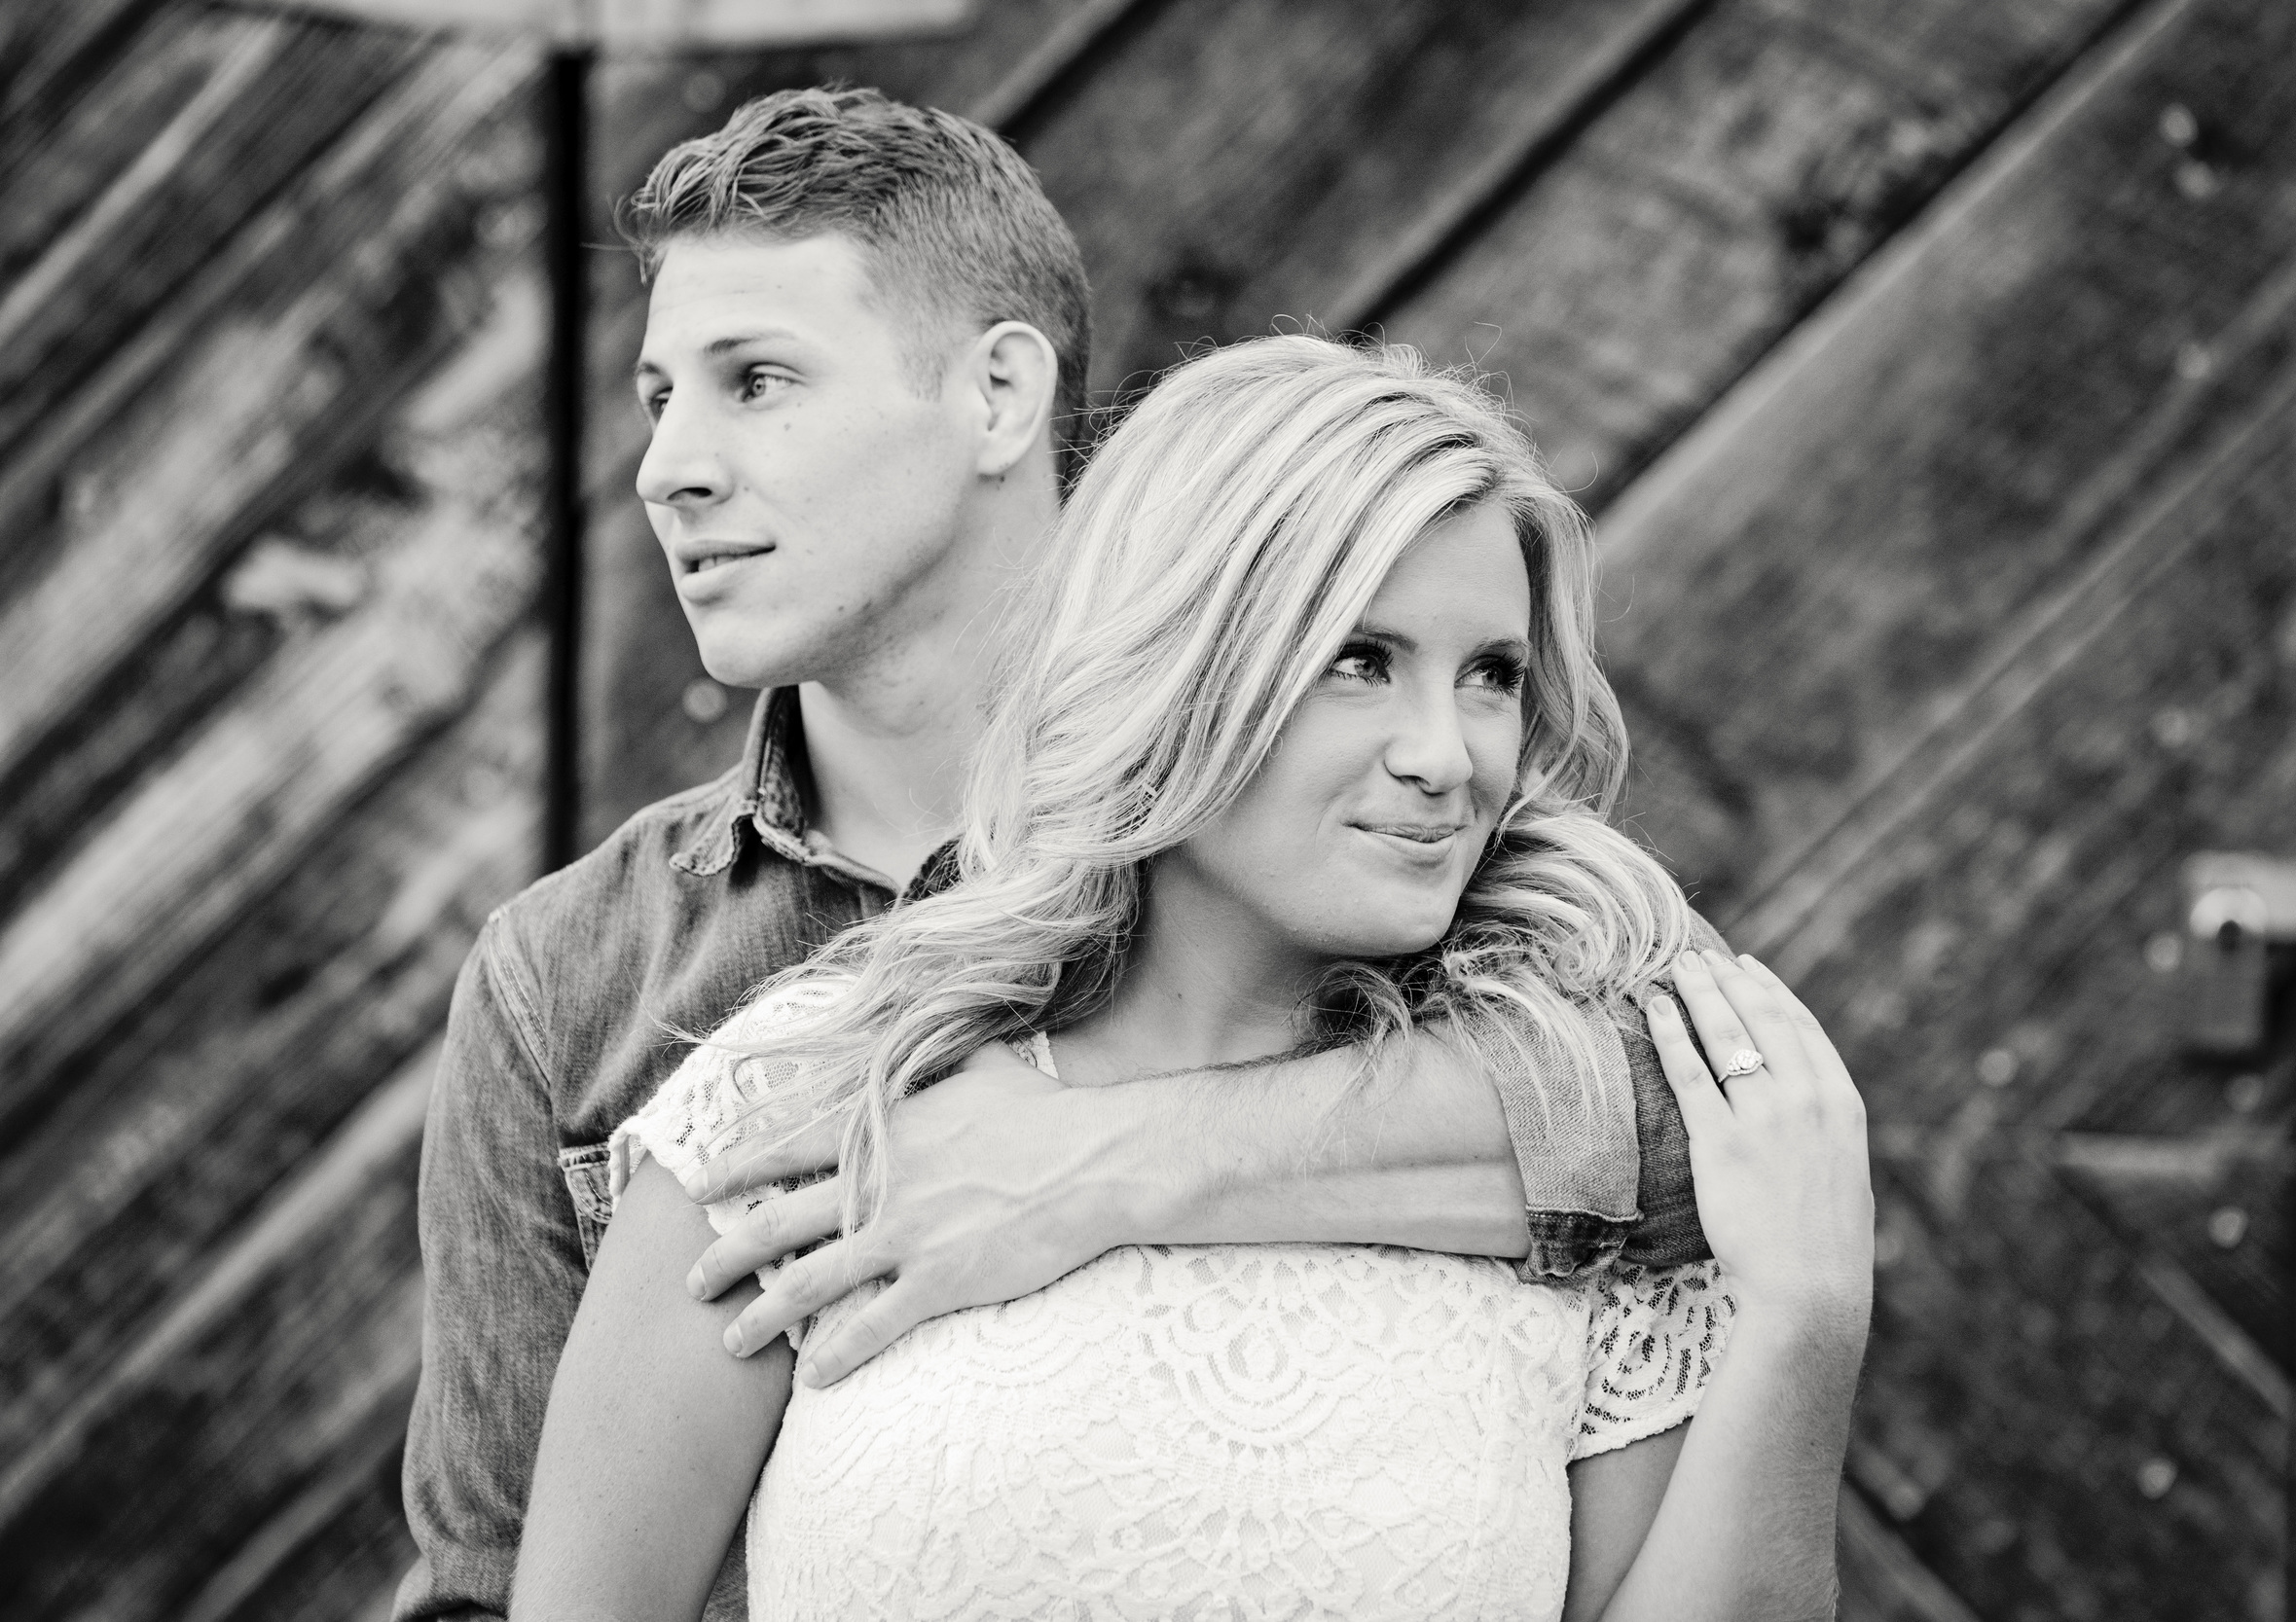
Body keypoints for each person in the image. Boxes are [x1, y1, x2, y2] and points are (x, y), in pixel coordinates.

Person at [396, 90, 1739, 1622]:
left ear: (998, 395)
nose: (667, 469)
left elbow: (1713, 1131)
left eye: (757, 380)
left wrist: (1102, 1163)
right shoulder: (585, 973)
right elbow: (501, 1591)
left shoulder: (1388, 861)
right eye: (655, 399)